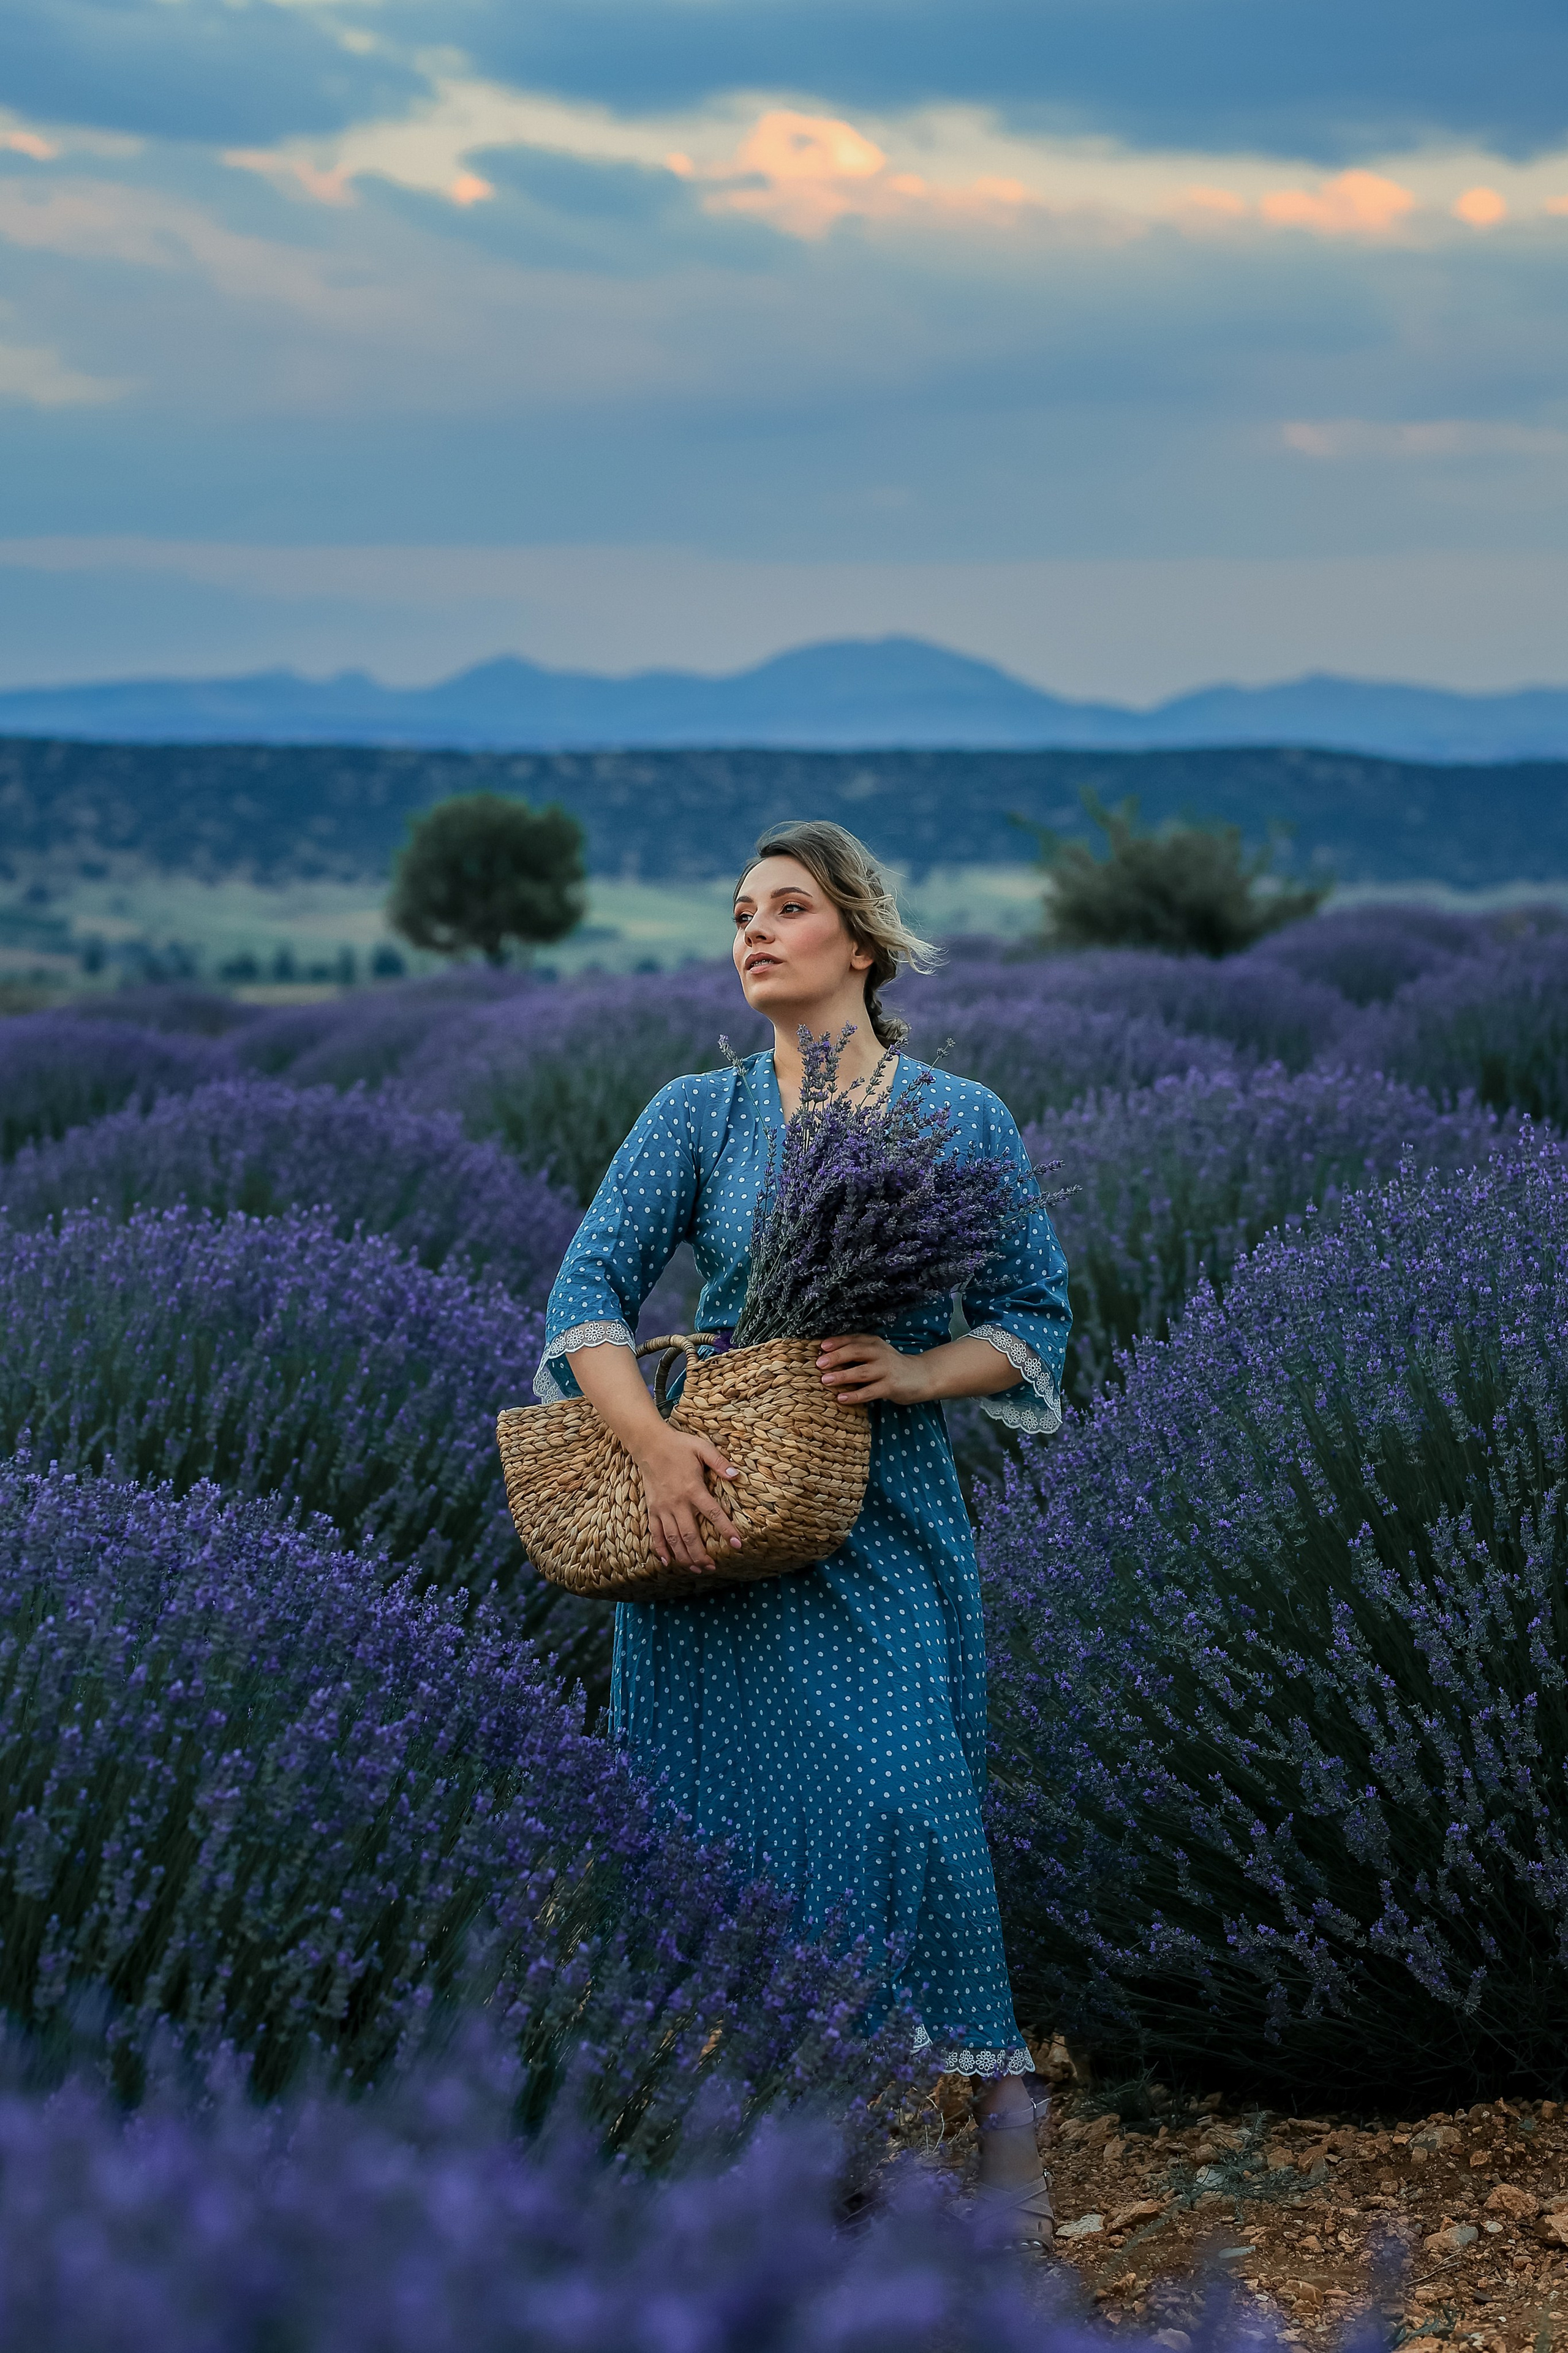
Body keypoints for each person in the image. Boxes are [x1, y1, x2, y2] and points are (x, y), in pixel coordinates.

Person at [536, 819, 1071, 2243]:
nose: (754, 933)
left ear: (863, 940)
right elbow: (584, 1299)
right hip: (708, 1522)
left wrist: (915, 1370)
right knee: (725, 1847)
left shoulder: (957, 1116)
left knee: (909, 1810)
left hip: (880, 1515)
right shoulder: (693, 1115)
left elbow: (1033, 1319)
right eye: (738, 913)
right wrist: (654, 1448)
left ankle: (1004, 2173)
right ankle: (797, 2174)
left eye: (786, 907)